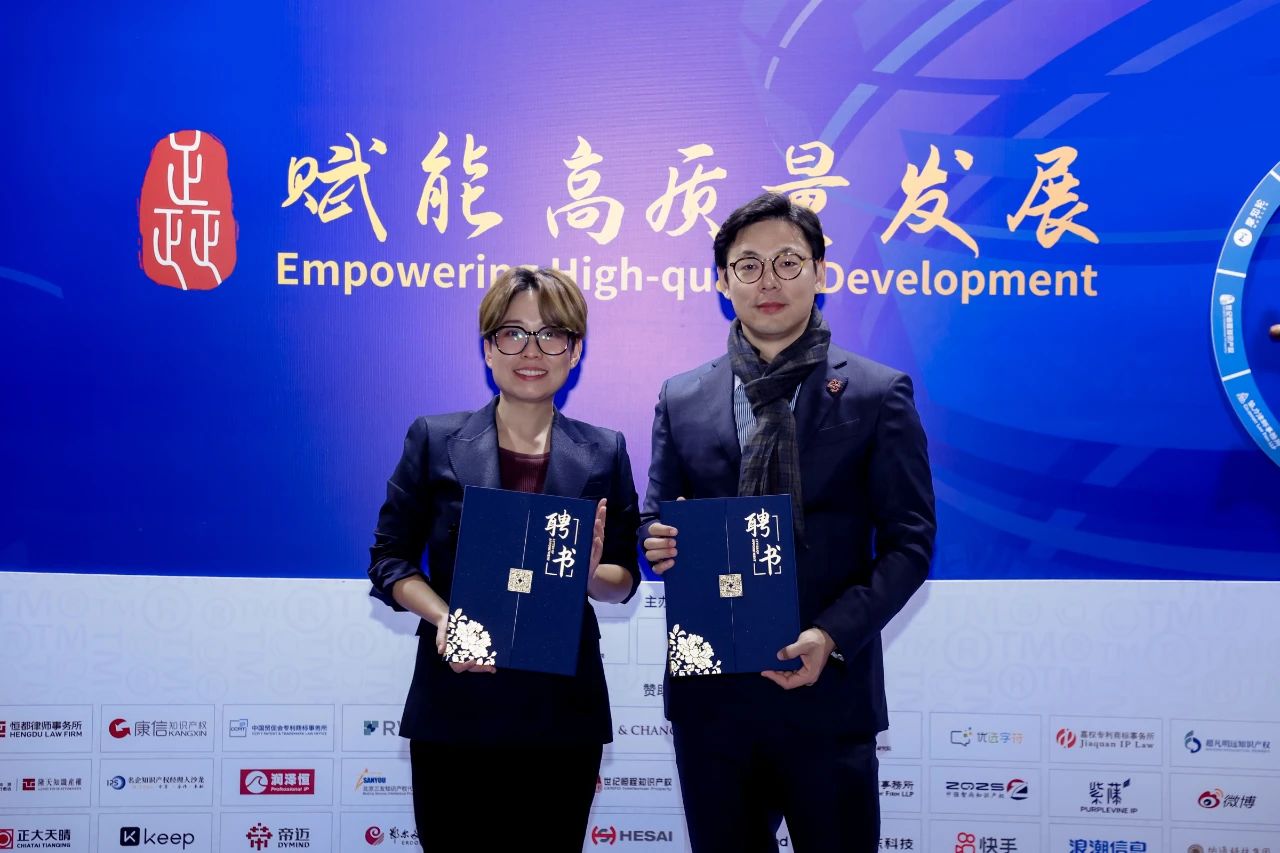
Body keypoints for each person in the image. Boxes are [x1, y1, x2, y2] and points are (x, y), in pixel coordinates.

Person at [640, 193, 936, 852]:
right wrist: (653, 540)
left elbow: (910, 543)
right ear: (723, 282)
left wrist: (831, 635)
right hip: (712, 701)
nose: (768, 281)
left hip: (827, 696)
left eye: (787, 262)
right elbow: (658, 514)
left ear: (820, 271)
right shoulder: (681, 397)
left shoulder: (876, 392)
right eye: (748, 266)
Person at [368, 266, 641, 851]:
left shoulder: (604, 449)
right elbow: (389, 560)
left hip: (561, 705)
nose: (531, 351)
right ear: (488, 348)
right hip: (457, 697)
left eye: (551, 334)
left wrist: (589, 573)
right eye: (513, 333)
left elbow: (624, 579)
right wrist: (446, 619)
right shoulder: (434, 438)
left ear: (575, 350)